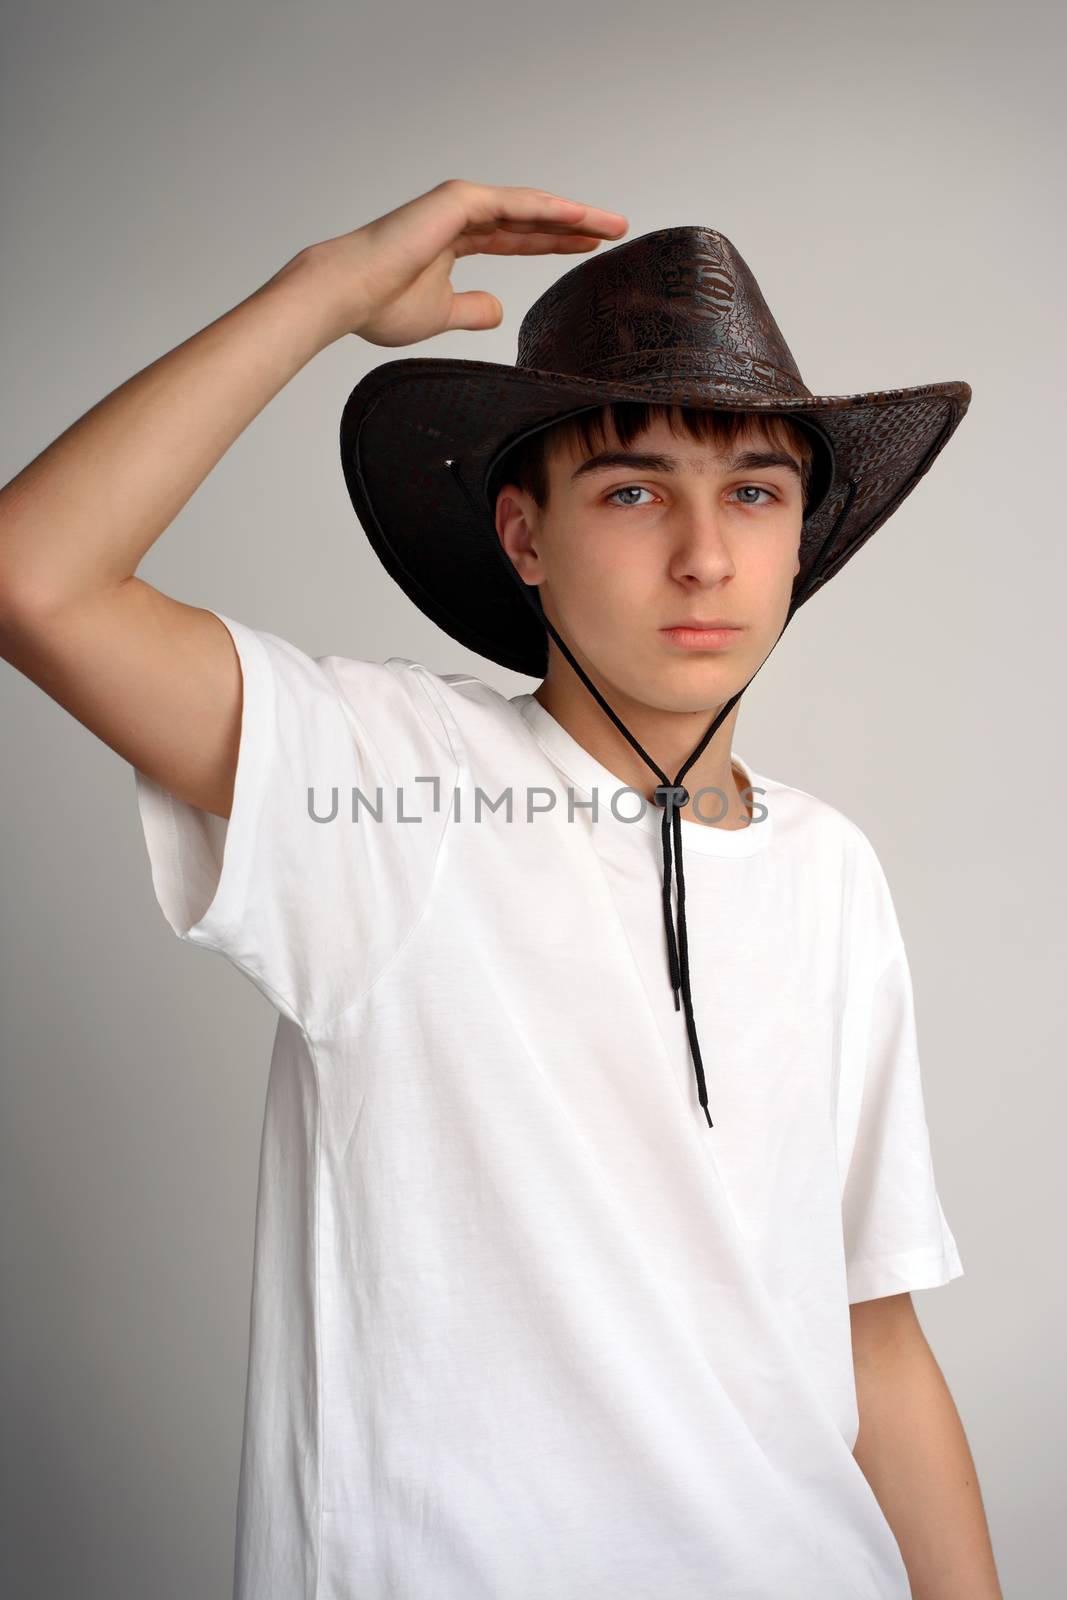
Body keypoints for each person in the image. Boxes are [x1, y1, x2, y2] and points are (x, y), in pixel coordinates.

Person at [0, 179, 1003, 1599]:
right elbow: (34, 578)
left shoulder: (830, 869)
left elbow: (874, 1339)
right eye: (635, 489)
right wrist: (325, 287)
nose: (705, 554)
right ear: (525, 538)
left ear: (800, 543)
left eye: (756, 495)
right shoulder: (389, 788)